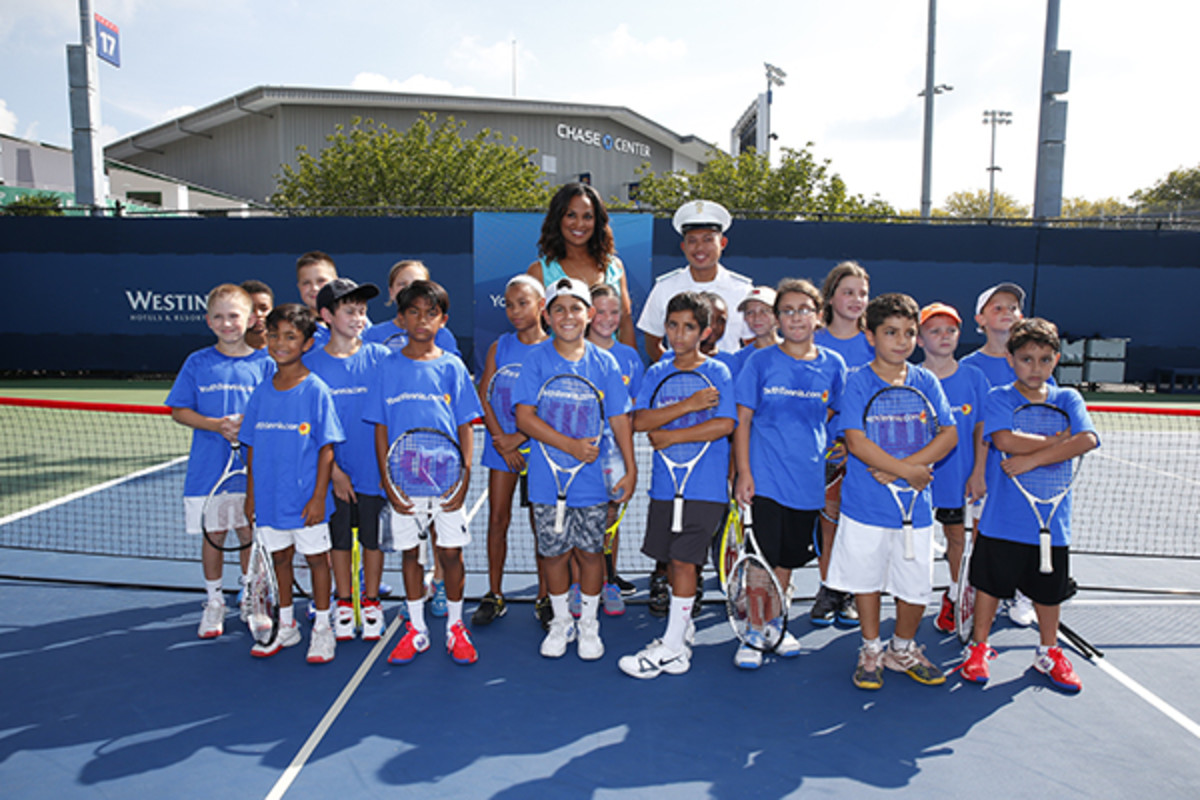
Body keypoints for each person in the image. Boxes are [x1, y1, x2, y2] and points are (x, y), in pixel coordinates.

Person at [957, 318, 1098, 692]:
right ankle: (979, 647)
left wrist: (1033, 458)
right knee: (989, 587)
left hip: (1052, 525)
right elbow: (1004, 439)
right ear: (1010, 359)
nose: (1035, 368)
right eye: (1026, 359)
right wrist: (1056, 442)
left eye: (1044, 359)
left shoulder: (1069, 398)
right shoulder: (1000, 397)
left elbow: (1086, 440)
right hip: (1002, 521)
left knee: (1049, 593)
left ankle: (1048, 652)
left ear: (1056, 360)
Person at [827, 293, 957, 690]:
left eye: (909, 333)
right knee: (866, 582)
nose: (901, 341)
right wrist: (905, 471)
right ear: (870, 336)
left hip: (914, 511)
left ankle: (901, 649)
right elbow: (856, 441)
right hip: (865, 507)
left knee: (913, 586)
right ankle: (870, 648)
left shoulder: (926, 381)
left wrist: (909, 471)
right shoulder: (857, 381)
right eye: (890, 332)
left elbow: (948, 433)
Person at [513, 277, 636, 661]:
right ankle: (560, 621)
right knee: (552, 554)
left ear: (590, 315)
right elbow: (523, 418)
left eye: (576, 308)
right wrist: (569, 446)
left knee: (590, 552)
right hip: (547, 479)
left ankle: (589, 625)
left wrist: (629, 469)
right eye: (560, 309)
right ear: (547, 316)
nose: (568, 316)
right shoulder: (536, 360)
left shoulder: (606, 363)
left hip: (594, 481)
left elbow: (619, 419)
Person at [364, 280, 482, 665]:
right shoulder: (386, 367)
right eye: (412, 311)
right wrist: (388, 481)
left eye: (431, 313)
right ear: (399, 318)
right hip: (404, 481)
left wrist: (463, 477)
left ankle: (454, 626)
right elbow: (381, 428)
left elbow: (466, 425)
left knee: (450, 553)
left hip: (446, 480)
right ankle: (416, 629)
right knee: (410, 554)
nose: (421, 320)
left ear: (443, 320)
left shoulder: (452, 366)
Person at [619, 291, 735, 678]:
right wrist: (686, 407)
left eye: (689, 327)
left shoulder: (718, 372)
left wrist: (671, 436)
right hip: (665, 488)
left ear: (703, 332)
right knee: (671, 562)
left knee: (685, 561)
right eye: (673, 326)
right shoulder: (657, 371)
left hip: (704, 488)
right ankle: (681, 631)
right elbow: (639, 421)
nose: (679, 334)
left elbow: (724, 424)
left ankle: (671, 649)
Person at [732, 279, 846, 669]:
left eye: (803, 309)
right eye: (787, 310)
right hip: (765, 479)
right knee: (759, 560)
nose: (795, 317)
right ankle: (754, 627)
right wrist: (743, 472)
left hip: (807, 481)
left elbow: (837, 412)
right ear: (777, 318)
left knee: (785, 563)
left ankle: (775, 624)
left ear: (818, 316)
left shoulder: (833, 365)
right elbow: (742, 420)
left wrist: (829, 442)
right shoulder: (760, 362)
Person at [166, 284, 273, 639]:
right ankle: (214, 603)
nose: (228, 323)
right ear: (209, 321)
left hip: (252, 473)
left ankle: (252, 600)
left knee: (248, 535)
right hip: (208, 471)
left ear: (251, 319)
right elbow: (179, 411)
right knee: (214, 536)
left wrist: (248, 425)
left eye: (235, 316)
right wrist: (216, 425)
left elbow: (275, 410)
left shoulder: (266, 363)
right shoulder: (197, 362)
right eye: (220, 317)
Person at [239, 303, 345, 663]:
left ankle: (322, 629)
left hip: (305, 502)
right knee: (280, 559)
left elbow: (326, 449)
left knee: (317, 562)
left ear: (307, 344)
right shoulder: (260, 392)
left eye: (290, 337)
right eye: (273, 335)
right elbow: (251, 447)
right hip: (269, 500)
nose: (280, 343)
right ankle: (286, 625)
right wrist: (251, 496)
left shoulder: (316, 390)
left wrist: (318, 498)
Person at [304, 278, 391, 642]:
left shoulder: (382, 358)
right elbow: (306, 426)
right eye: (349, 310)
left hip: (374, 472)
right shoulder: (308, 364)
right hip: (331, 475)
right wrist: (334, 472)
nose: (359, 317)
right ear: (326, 315)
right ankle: (343, 602)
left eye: (362, 310)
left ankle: (370, 602)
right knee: (338, 542)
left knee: (372, 541)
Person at [960, 281, 1044, 627]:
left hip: (1025, 469)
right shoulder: (969, 366)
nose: (1007, 312)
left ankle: (1023, 594)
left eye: (1012, 307)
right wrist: (978, 472)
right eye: (998, 307)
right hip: (986, 471)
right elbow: (978, 427)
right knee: (985, 536)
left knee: (1028, 532)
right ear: (981, 318)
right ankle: (981, 593)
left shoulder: (1032, 363)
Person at [472, 274, 550, 629]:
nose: (515, 310)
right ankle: (494, 594)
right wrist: (501, 438)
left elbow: (552, 405)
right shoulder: (500, 346)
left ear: (541, 307)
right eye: (509, 304)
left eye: (523, 303)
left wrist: (519, 437)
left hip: (540, 450)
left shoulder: (553, 350)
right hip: (500, 448)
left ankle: (545, 596)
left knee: (541, 527)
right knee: (497, 521)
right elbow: (484, 393)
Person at [916, 302, 989, 634]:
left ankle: (957, 594)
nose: (944, 336)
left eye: (951, 330)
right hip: (917, 483)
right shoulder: (912, 378)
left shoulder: (974, 377)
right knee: (912, 545)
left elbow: (981, 429)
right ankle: (911, 599)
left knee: (957, 539)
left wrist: (977, 473)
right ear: (919, 339)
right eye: (934, 330)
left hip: (959, 481)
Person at [810, 260, 873, 627]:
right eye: (848, 292)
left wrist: (858, 445)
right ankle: (828, 587)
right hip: (825, 453)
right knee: (829, 523)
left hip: (865, 455)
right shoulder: (814, 341)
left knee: (858, 525)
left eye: (862, 293)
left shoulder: (873, 341)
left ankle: (850, 591)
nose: (856, 299)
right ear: (831, 297)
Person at [584, 281, 645, 613]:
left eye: (614, 312)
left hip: (616, 456)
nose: (607, 318)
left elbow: (633, 409)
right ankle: (580, 585)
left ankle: (609, 580)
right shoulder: (573, 350)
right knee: (581, 520)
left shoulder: (629, 357)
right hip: (579, 454)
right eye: (600, 311)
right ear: (589, 313)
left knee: (610, 519)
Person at [637, 199, 752, 361]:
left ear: (723, 243)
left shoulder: (742, 289)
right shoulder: (665, 287)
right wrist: (677, 371)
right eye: (692, 241)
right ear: (683, 246)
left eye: (708, 239)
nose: (699, 248)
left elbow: (753, 344)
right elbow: (652, 342)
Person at [527, 182, 636, 349]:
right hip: (562, 370)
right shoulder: (539, 272)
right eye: (571, 215)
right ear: (558, 219)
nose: (579, 224)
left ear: (597, 221)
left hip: (610, 370)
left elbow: (625, 323)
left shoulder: (614, 267)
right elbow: (533, 333)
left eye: (587, 216)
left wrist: (630, 367)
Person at [363, 259, 461, 358]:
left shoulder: (442, 335)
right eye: (402, 284)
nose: (409, 289)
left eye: (417, 284)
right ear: (391, 292)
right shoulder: (373, 335)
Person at [729, 286, 782, 377]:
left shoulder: (795, 350)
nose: (757, 318)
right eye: (750, 312)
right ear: (745, 318)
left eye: (764, 311)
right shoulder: (738, 359)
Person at [295, 251, 339, 348]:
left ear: (336, 282)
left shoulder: (355, 320)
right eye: (306, 283)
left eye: (321, 281)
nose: (314, 288)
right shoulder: (296, 328)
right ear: (299, 287)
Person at [240, 279, 274, 351]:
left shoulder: (294, 356)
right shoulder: (215, 358)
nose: (258, 314)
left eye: (264, 309)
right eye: (250, 309)